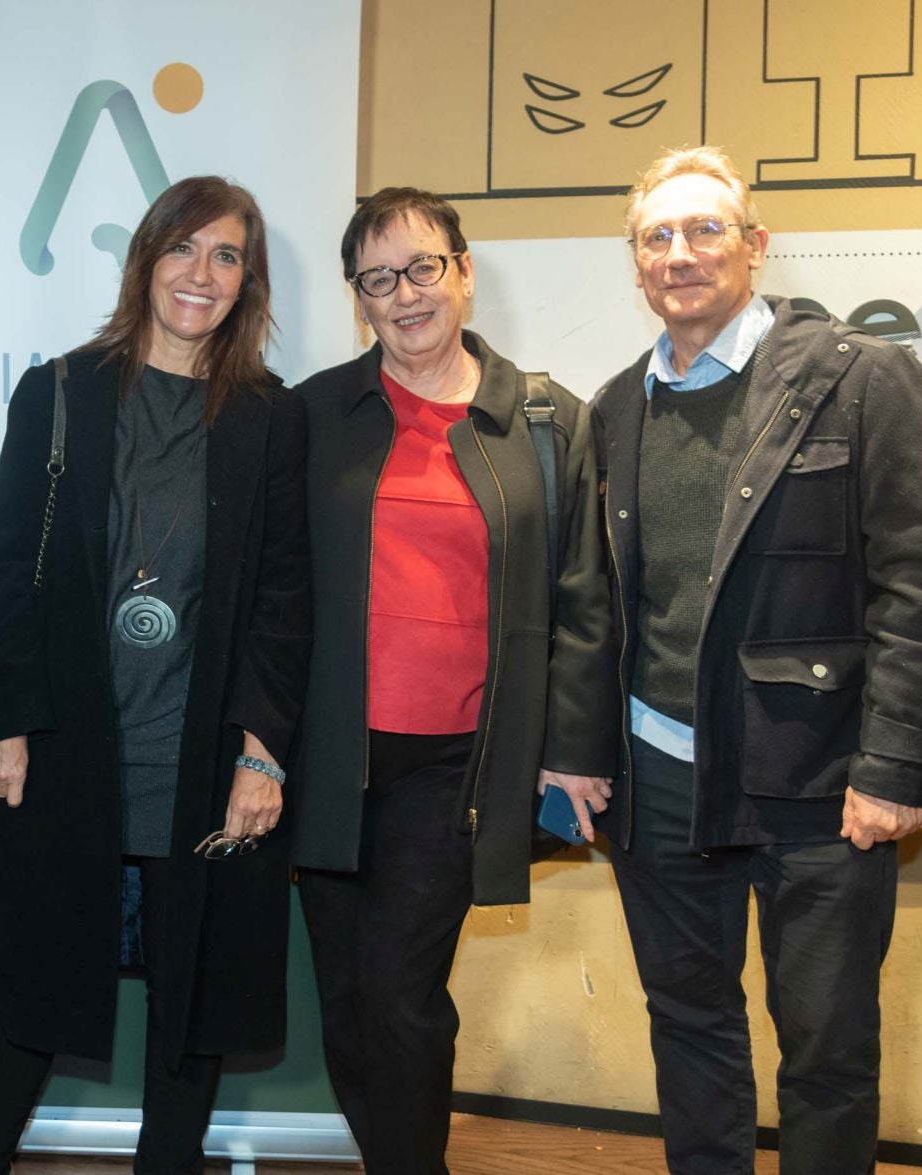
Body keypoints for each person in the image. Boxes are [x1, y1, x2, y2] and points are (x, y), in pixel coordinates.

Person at [591, 146, 922, 1173]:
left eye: (705, 229)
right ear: (636, 267)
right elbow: (602, 609)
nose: (681, 253)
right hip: (660, 780)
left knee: (828, 1048)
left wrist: (894, 767)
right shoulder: (614, 409)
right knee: (691, 1028)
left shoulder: (862, 377)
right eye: (657, 237)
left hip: (821, 779)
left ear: (755, 247)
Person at [0, 175, 309, 1174]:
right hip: (70, 753)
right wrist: (7, 720)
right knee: (23, 999)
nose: (202, 273)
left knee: (188, 1011)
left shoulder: (270, 420)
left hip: (199, 760)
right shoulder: (60, 392)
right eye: (184, 247)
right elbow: (5, 566)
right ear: (146, 258)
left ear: (249, 281)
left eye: (227, 255)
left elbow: (284, 603)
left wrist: (264, 755)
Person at [288, 187, 616, 1171]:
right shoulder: (316, 413)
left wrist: (572, 753)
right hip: (331, 755)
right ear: (360, 300)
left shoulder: (547, 420)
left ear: (464, 272)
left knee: (398, 987)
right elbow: (274, 589)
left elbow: (586, 595)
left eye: (423, 267)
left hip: (459, 766)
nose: (405, 293)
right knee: (344, 992)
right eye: (378, 279)